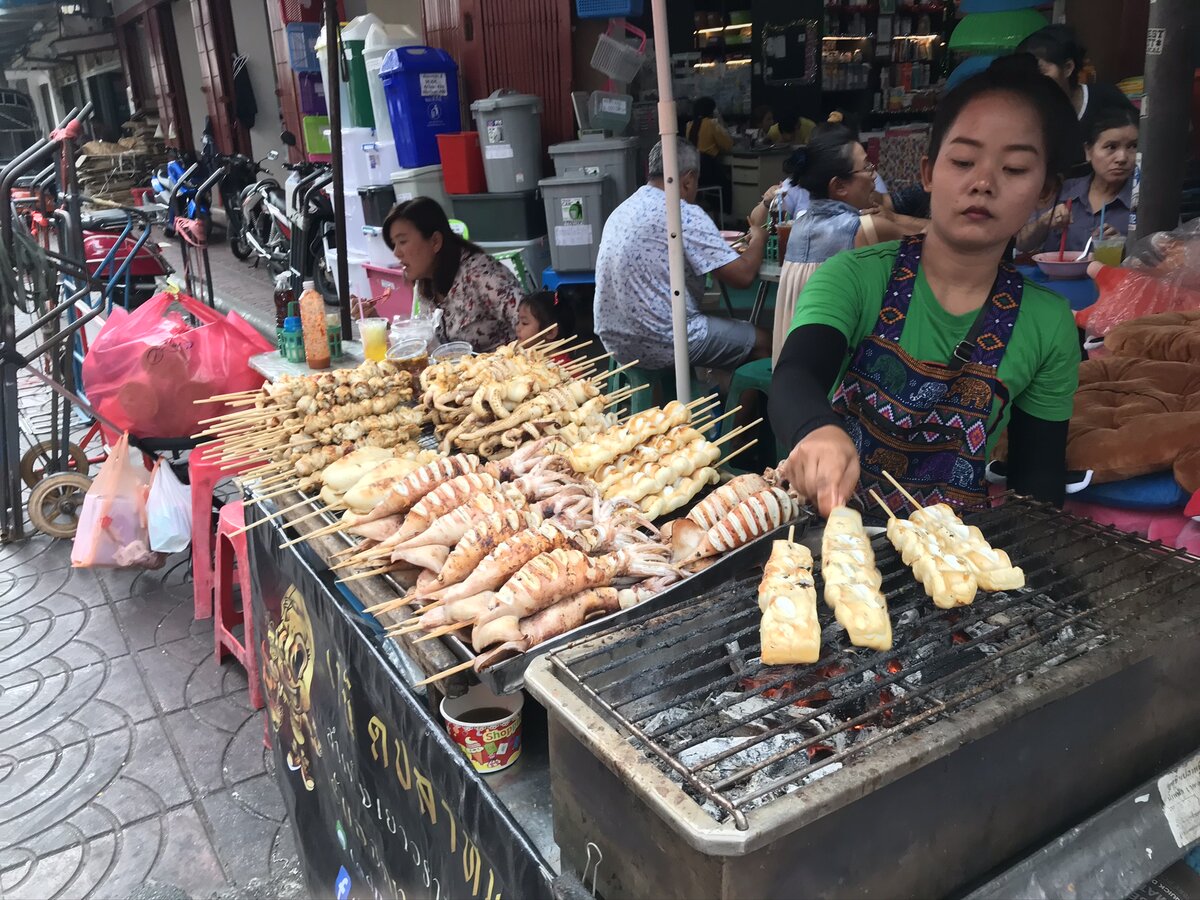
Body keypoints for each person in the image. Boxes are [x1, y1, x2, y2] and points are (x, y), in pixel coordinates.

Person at [770, 63, 1083, 516]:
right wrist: (816, 429)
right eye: (962, 161)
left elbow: (1037, 479)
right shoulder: (855, 277)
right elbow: (795, 375)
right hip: (832, 525)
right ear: (929, 172)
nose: (983, 183)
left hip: (953, 551)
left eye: (1014, 167)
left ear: (1045, 190)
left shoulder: (1048, 324)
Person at [594, 138, 771, 373]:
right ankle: (742, 410)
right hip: (662, 340)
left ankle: (713, 395)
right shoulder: (682, 213)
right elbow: (743, 276)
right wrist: (759, 238)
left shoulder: (624, 208)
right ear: (687, 180)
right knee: (764, 343)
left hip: (614, 339)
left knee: (724, 332)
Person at [773, 126, 919, 363]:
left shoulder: (798, 226)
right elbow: (936, 238)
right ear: (839, 186)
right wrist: (894, 218)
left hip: (791, 359)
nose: (873, 175)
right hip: (836, 364)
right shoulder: (864, 228)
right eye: (867, 167)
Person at [382, 197, 523, 352]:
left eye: (402, 242)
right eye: (394, 244)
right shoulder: (425, 282)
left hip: (503, 370)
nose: (396, 253)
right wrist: (381, 326)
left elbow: (532, 322)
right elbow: (425, 342)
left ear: (435, 241)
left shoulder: (481, 274)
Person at [1016, 106, 1139, 253]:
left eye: (1133, 146)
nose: (1122, 158)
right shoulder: (1062, 191)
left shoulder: (1143, 202)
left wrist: (1122, 249)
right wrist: (1044, 223)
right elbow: (1021, 244)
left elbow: (1158, 260)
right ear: (1088, 151)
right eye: (1111, 147)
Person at [1016, 25, 1136, 167]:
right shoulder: (1024, 113)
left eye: (1041, 71)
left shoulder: (1106, 99)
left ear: (1068, 68)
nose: (1032, 79)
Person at [685, 97, 733, 213]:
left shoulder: (689, 125)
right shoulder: (711, 124)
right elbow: (728, 144)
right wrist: (720, 120)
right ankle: (727, 215)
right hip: (708, 168)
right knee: (726, 183)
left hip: (694, 170)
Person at [516, 290, 576, 366]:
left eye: (524, 323)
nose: (518, 328)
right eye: (518, 322)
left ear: (550, 332)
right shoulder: (524, 357)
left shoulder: (564, 368)